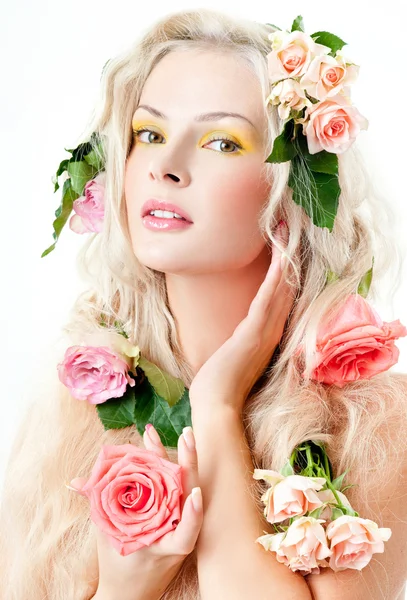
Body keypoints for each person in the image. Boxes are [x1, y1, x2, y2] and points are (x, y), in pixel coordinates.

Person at [1, 7, 407, 600]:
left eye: (221, 141)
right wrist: (123, 593)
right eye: (150, 134)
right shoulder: (71, 412)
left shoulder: (375, 424)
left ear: (293, 190)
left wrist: (216, 407)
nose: (166, 167)